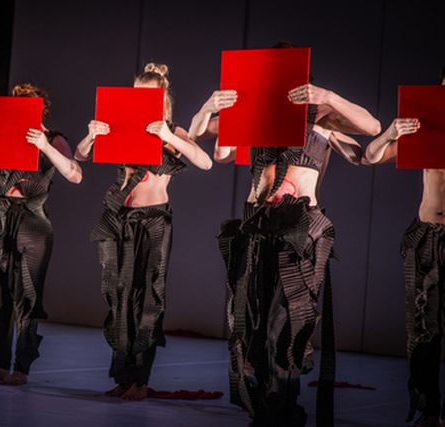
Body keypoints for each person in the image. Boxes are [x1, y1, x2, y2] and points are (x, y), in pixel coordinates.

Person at [189, 53, 381, 426]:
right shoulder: (254, 114)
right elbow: (211, 145)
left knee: (287, 318)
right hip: (257, 223)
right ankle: (262, 404)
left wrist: (328, 95)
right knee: (251, 319)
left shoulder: (321, 117)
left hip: (299, 225)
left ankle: (282, 406)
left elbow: (372, 126)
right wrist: (209, 106)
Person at [75, 63, 213, 401]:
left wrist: (167, 136)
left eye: (149, 95)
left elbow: (205, 162)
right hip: (119, 218)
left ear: (163, 99)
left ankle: (141, 379)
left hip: (153, 220)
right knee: (118, 296)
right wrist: (92, 134)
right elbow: (81, 154)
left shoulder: (172, 131)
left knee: (148, 298)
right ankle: (123, 376)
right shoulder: (121, 125)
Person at [0, 83, 82, 385]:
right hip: (0, 218)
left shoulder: (53, 138)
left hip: (32, 222)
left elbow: (74, 174)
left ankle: (21, 367)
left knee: (28, 295)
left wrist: (44, 146)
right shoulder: (4, 134)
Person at [363, 68, 444, 427]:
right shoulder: (425, 130)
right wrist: (390, 133)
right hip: (427, 236)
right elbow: (371, 156)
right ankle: (429, 410)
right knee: (424, 328)